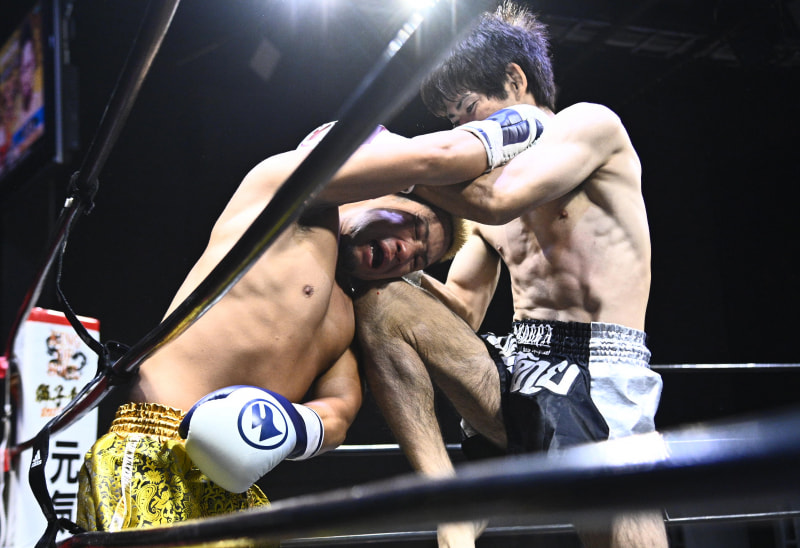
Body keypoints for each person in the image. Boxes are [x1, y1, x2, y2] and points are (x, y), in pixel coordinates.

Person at [75, 106, 545, 531]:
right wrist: (517, 126)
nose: (406, 251)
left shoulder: (346, 318)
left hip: (235, 492)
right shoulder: (283, 197)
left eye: (418, 260)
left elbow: (340, 411)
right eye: (413, 226)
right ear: (379, 190)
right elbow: (430, 159)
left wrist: (288, 428)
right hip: (154, 445)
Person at [352, 3, 667, 547]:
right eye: (454, 122)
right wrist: (399, 277)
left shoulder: (590, 125)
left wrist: (388, 164)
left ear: (516, 80)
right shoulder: (482, 195)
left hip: (601, 372)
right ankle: (448, 502)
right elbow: (463, 310)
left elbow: (500, 201)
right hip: (519, 365)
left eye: (469, 109)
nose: (466, 130)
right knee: (382, 303)